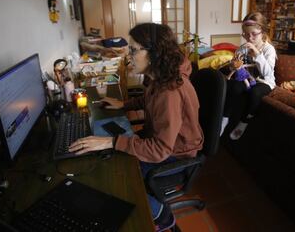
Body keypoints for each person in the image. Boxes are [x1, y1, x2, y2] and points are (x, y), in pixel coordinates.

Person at [69, 23, 203, 231]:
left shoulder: (169, 91)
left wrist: (112, 141)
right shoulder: (161, 77)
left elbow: (159, 150)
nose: (128, 56)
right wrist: (125, 104)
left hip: (177, 154)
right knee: (114, 153)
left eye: (133, 50)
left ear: (154, 52)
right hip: (164, 142)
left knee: (121, 171)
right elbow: (149, 100)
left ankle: (161, 216)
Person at [222, 12, 277, 140]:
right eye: (246, 34)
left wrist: (257, 54)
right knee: (233, 87)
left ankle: (244, 121)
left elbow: (267, 73)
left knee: (255, 93)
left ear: (262, 32)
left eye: (253, 34)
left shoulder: (269, 49)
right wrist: (233, 66)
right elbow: (235, 69)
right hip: (246, 79)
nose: (249, 38)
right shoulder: (242, 48)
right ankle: (224, 118)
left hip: (264, 82)